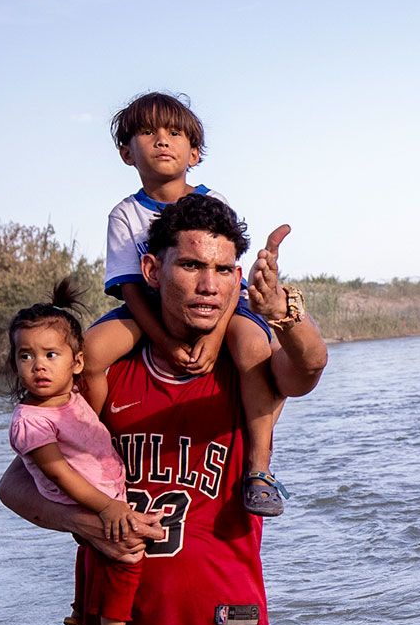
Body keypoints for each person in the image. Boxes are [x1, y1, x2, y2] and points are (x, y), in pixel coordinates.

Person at [0, 190, 328, 625]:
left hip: (227, 622)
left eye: (223, 269)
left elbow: (309, 368)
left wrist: (284, 315)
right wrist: (88, 523)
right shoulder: (100, 375)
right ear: (153, 271)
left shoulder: (249, 365)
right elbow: (15, 481)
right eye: (190, 266)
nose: (208, 285)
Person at [90, 89, 298, 518]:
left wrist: (216, 334)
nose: (162, 141)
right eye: (148, 133)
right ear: (126, 153)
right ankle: (89, 458)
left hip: (221, 308)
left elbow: (221, 277)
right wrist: (165, 343)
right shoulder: (124, 216)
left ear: (195, 153)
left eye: (174, 133)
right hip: (147, 305)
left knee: (253, 348)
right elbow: (130, 287)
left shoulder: (211, 201)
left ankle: (259, 469)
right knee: (89, 352)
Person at [6, 286, 158, 625]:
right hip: (79, 496)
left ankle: (81, 607)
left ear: (75, 363)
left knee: (92, 549)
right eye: (26, 356)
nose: (38, 366)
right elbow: (58, 472)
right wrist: (107, 507)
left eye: (50, 355)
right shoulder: (32, 421)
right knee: (127, 554)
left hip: (96, 488)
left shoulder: (70, 396)